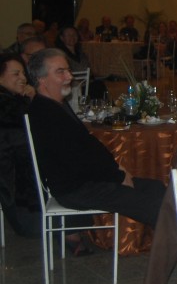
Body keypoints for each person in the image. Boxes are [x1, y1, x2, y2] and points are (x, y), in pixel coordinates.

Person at [26, 49, 166, 228]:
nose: (69, 76)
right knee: (153, 204)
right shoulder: (45, 113)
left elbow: (88, 146)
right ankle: (176, 243)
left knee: (156, 188)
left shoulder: (57, 105)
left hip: (89, 180)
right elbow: (77, 160)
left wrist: (117, 170)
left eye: (68, 70)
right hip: (75, 189)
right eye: (60, 72)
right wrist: (117, 177)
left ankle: (167, 241)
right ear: (41, 79)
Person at [0, 54, 38, 237]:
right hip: (13, 175)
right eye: (16, 74)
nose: (23, 78)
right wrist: (33, 99)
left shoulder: (13, 100)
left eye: (23, 73)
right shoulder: (6, 104)